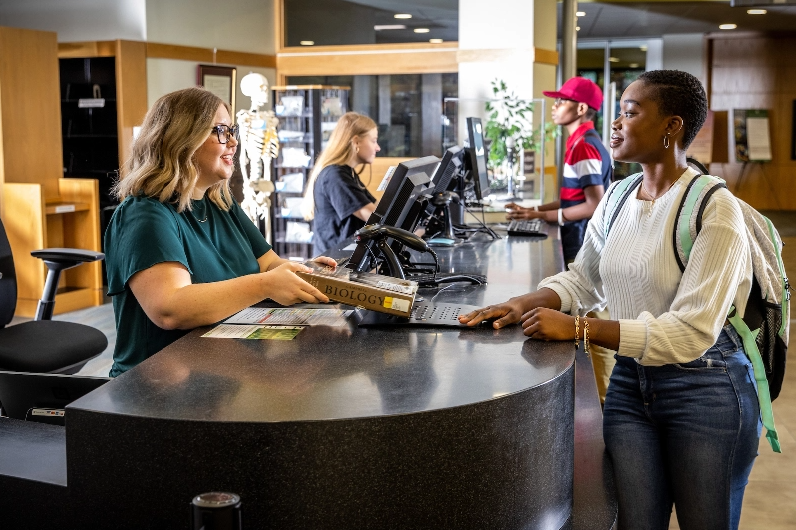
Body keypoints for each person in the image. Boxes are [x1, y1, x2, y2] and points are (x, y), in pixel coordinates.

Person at [460, 70, 759, 530]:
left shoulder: (715, 210)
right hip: (630, 384)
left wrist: (581, 329)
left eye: (630, 112)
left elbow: (691, 332)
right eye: (619, 111)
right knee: (632, 521)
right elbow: (584, 279)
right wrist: (523, 302)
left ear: (671, 126)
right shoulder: (618, 196)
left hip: (706, 389)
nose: (615, 125)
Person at [105, 87, 335, 377]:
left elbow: (269, 264)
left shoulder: (220, 202)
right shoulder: (145, 214)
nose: (234, 142)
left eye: (232, 131)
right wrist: (266, 285)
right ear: (183, 138)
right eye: (221, 131)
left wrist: (301, 273)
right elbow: (170, 308)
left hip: (223, 369)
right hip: (157, 387)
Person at [505, 76, 612, 264]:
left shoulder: (584, 146)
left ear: (581, 108)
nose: (554, 106)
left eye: (561, 102)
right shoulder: (581, 142)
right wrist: (532, 210)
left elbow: (594, 204)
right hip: (577, 241)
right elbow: (571, 200)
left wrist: (541, 216)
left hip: (581, 245)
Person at [301, 112, 380, 254]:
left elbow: (377, 210)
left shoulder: (347, 173)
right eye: (373, 141)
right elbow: (373, 217)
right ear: (356, 142)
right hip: (334, 268)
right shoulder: (335, 176)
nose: (377, 148)